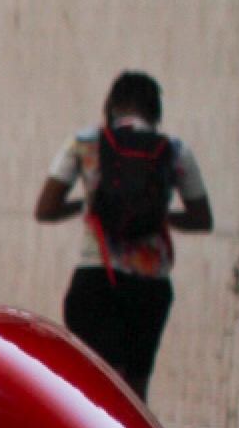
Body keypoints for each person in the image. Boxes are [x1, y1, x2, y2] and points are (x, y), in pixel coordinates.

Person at [36, 70, 212, 399]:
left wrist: (87, 205)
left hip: (96, 278)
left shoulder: (84, 143)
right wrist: (161, 216)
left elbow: (44, 209)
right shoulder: (174, 151)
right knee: (134, 390)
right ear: (155, 111)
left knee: (87, 387)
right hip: (149, 286)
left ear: (112, 106)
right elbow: (202, 219)